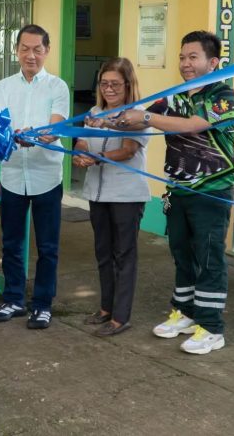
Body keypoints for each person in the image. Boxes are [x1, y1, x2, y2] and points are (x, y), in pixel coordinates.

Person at [97, 31, 234, 354]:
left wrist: (145, 116)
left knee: (208, 257)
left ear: (212, 62)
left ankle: (212, 327)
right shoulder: (172, 97)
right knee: (182, 254)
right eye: (182, 57)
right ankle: (186, 313)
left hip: (212, 191)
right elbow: (141, 121)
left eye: (193, 57)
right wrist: (106, 121)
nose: (185, 64)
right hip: (178, 190)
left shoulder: (223, 94)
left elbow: (194, 125)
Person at [0, 24, 68, 329]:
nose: (30, 55)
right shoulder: (3, 87)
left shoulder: (57, 87)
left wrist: (33, 136)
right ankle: (14, 299)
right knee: (11, 241)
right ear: (16, 50)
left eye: (37, 49)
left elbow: (56, 127)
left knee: (47, 245)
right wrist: (9, 136)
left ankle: (43, 304)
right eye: (24, 48)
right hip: (11, 176)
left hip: (46, 174)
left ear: (47, 51)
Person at [73, 58, 149, 337]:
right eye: (104, 83)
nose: (109, 89)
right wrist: (81, 152)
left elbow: (129, 149)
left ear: (128, 85)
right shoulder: (93, 112)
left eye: (115, 84)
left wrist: (97, 158)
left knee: (124, 254)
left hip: (126, 194)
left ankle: (121, 316)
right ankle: (106, 308)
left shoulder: (137, 114)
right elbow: (82, 139)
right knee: (103, 252)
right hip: (98, 193)